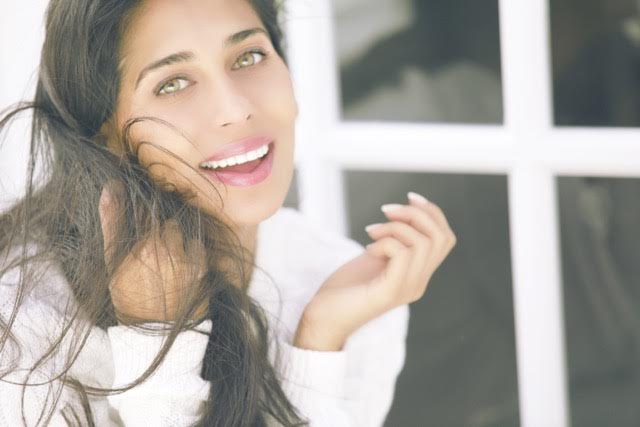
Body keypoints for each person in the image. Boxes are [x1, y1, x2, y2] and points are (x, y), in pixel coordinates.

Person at [0, 0, 457, 425]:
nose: (236, 110)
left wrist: (318, 340)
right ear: (105, 130)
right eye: (173, 83)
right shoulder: (24, 327)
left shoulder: (341, 283)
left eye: (249, 57)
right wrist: (155, 340)